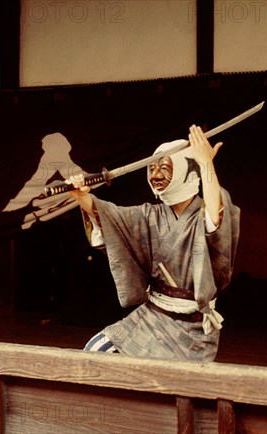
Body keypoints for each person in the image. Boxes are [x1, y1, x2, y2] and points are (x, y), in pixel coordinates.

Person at [69, 125, 240, 362]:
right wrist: (83, 198)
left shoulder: (203, 215)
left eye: (165, 168)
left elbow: (215, 216)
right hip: (153, 317)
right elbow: (114, 218)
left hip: (193, 328)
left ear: (186, 173)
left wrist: (206, 164)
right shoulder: (150, 215)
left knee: (176, 389)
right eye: (152, 168)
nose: (156, 175)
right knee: (96, 350)